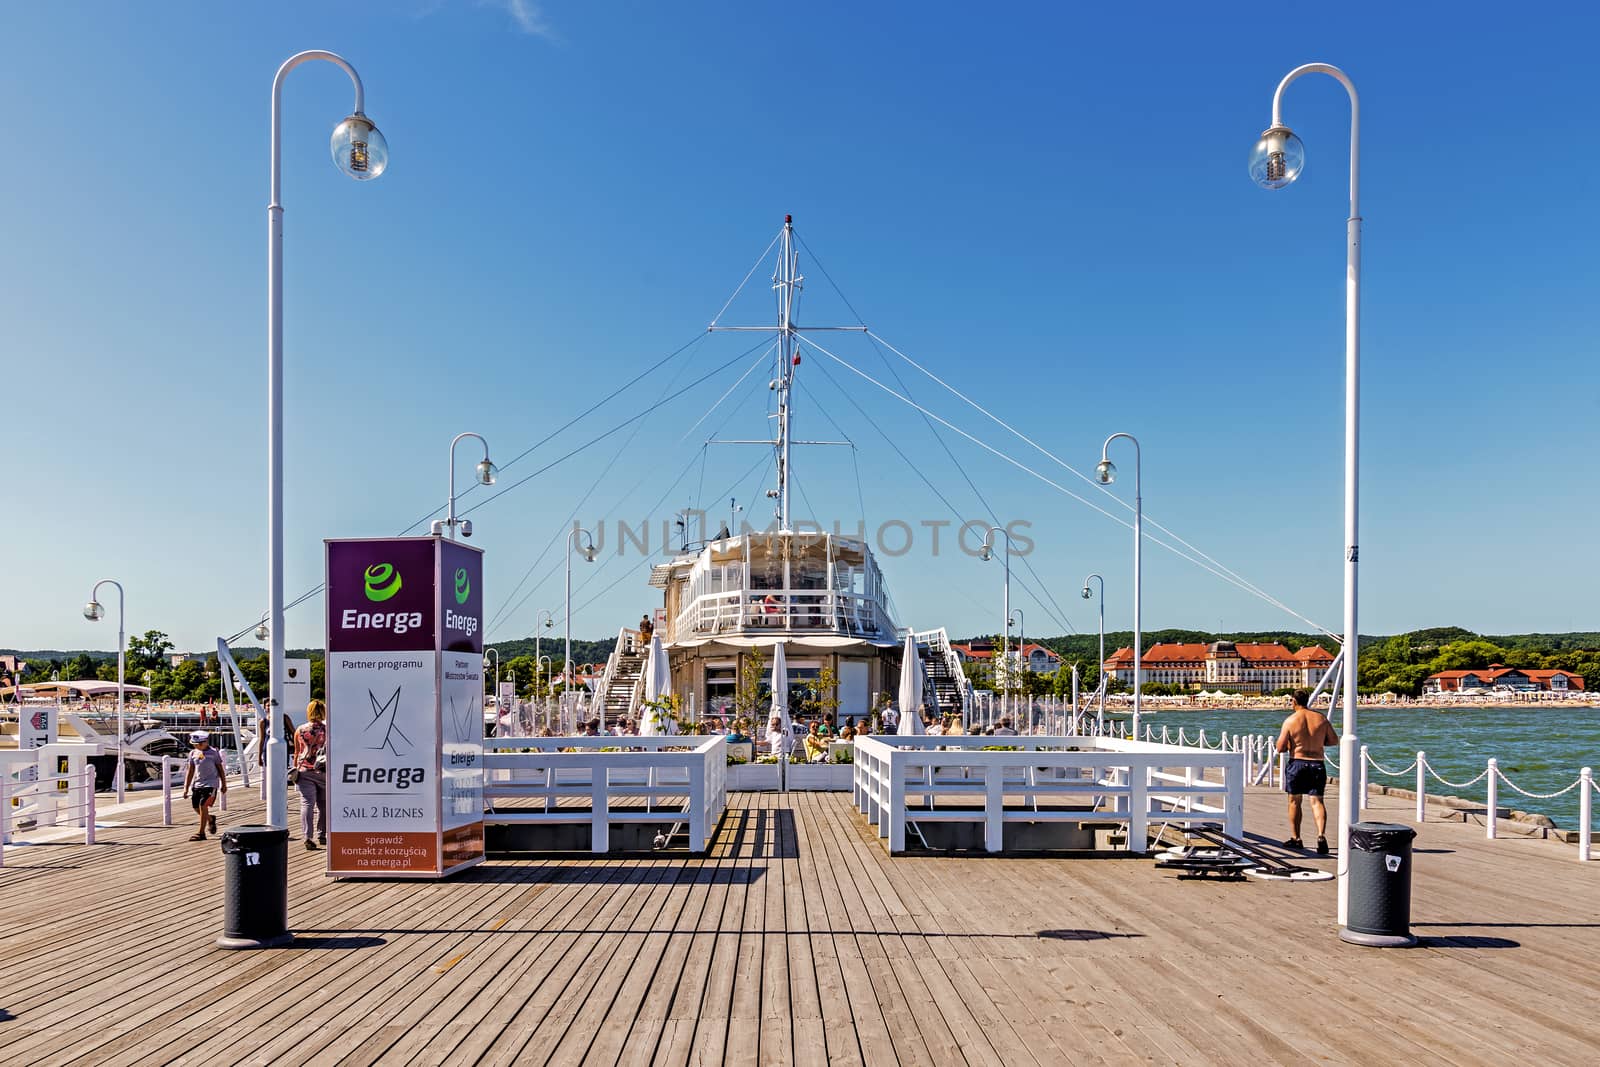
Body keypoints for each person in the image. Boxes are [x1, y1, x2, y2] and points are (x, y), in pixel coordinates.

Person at [1275, 687, 1338, 854]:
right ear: (1307, 700)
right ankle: (1321, 835)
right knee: (1317, 801)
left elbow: (1280, 747)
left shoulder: (1290, 721)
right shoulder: (1321, 718)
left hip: (1298, 762)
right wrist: (1317, 742)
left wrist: (1291, 744)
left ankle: (1296, 838)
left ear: (1293, 702)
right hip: (1317, 763)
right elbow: (1333, 740)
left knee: (1295, 801)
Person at [293, 699, 329, 850]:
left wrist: (295, 767)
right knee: (324, 804)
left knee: (307, 804)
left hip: (304, 770)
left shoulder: (300, 730)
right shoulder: (328, 729)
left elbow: (297, 751)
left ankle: (308, 836)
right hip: (323, 770)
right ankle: (322, 834)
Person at [180, 730, 226, 841]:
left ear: (206, 742)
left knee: (203, 805)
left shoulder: (213, 753)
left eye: (200, 743)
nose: (198, 746)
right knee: (196, 807)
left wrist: (224, 784)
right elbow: (190, 771)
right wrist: (186, 788)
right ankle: (210, 819)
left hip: (211, 783)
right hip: (198, 784)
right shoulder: (193, 753)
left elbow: (220, 769)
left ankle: (201, 833)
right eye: (196, 744)